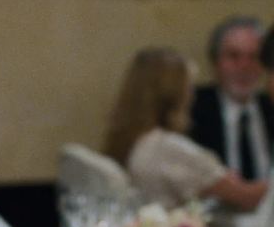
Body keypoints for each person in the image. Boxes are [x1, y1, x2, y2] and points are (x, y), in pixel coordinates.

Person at [104, 47, 266, 211]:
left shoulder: (134, 140)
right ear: (175, 94)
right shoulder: (168, 147)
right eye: (189, 87)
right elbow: (248, 197)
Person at [188, 15, 274, 181]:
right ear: (215, 62)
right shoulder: (192, 108)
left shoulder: (270, 106)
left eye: (254, 57)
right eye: (234, 56)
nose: (244, 66)